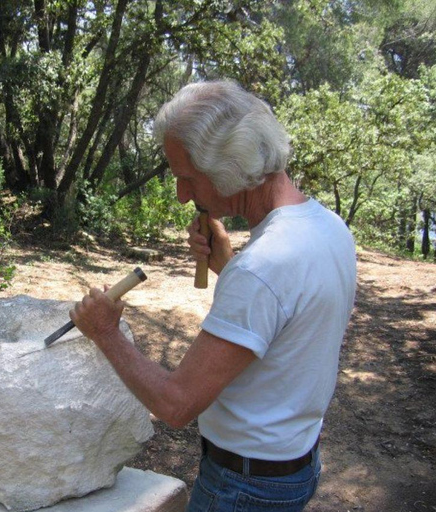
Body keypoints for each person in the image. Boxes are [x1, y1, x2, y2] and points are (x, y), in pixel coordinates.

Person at [69, 80, 357, 512]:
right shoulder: (327, 227)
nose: (183, 196)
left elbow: (176, 404)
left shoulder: (264, 267)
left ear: (231, 164)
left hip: (245, 488)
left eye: (187, 178)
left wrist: (106, 332)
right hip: (295, 463)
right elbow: (285, 318)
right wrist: (227, 266)